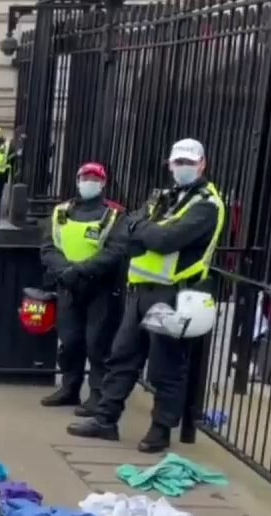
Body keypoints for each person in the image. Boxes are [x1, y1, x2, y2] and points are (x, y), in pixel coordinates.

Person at [67, 138, 225, 453]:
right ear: (169, 164)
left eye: (189, 162)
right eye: (178, 162)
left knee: (166, 366)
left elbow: (167, 239)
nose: (183, 167)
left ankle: (161, 429)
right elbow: (125, 227)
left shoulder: (206, 204)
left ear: (203, 164)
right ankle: (105, 419)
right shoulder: (164, 197)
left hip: (173, 293)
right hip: (141, 291)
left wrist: (143, 231)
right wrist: (144, 231)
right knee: (122, 357)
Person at [39, 162, 126, 416]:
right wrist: (65, 270)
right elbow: (48, 246)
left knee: (98, 343)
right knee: (70, 340)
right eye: (85, 177)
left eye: (94, 178)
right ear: (77, 180)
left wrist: (81, 270)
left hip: (100, 287)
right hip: (68, 285)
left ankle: (97, 394)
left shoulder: (114, 214)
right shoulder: (61, 212)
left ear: (103, 183)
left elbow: (115, 250)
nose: (89, 182)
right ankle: (70, 388)